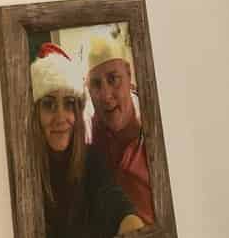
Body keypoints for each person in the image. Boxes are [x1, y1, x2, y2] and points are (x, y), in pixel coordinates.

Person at [31, 44, 144, 238]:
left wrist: (133, 225)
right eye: (49, 104)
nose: (61, 117)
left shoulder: (90, 158)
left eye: (69, 104)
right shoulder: (24, 172)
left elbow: (115, 203)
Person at [87, 32, 155, 226]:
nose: (106, 95)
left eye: (113, 79)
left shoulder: (158, 131)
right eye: (96, 84)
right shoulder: (87, 140)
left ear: (128, 74)